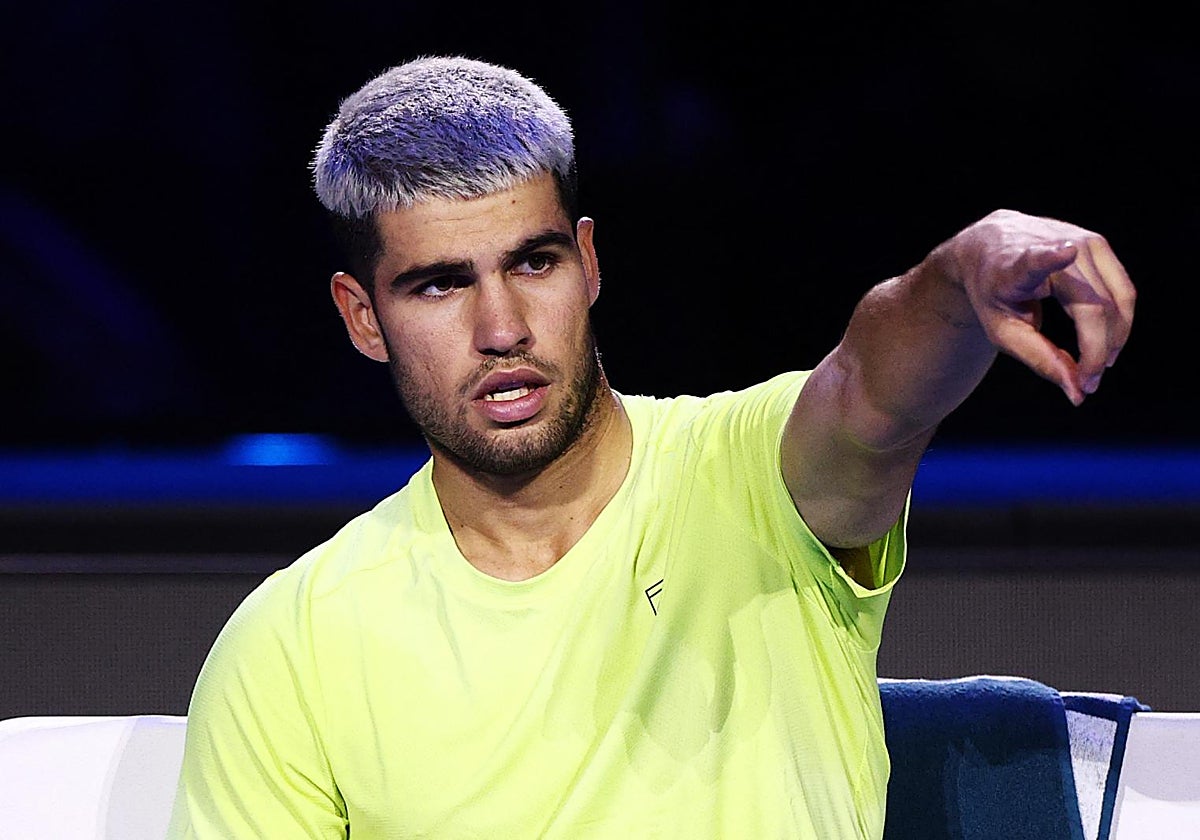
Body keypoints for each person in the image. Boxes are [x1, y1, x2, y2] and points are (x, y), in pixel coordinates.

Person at [166, 56, 1135, 839]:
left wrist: (962, 277)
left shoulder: (754, 478)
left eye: (532, 262)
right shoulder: (293, 643)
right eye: (438, 285)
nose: (501, 326)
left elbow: (872, 392)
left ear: (587, 264)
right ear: (362, 317)